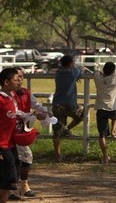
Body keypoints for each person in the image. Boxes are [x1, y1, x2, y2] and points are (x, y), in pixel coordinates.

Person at [12, 68, 50, 199]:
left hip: (20, 129)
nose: (20, 80)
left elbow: (36, 104)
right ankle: (18, 187)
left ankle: (19, 186)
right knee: (22, 157)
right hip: (9, 130)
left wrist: (45, 111)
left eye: (21, 77)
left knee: (19, 158)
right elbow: (15, 112)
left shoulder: (26, 92)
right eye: (17, 77)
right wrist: (33, 114)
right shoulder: (7, 95)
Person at [52, 55, 88, 161]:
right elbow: (81, 70)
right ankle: (67, 129)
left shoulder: (58, 73)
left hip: (57, 104)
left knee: (56, 131)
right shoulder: (73, 72)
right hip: (69, 104)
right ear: (71, 63)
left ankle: (58, 155)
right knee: (82, 113)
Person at [93, 62, 116, 164]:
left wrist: (100, 72)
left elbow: (96, 71)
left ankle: (105, 156)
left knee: (102, 135)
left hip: (101, 108)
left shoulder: (97, 77)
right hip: (113, 107)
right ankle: (113, 131)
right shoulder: (115, 77)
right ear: (113, 71)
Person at [0, 68, 22, 203]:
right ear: (6, 82)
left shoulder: (12, 97)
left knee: (12, 172)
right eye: (16, 79)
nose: (19, 81)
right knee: (8, 175)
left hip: (10, 142)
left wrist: (31, 115)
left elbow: (16, 113)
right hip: (1, 143)